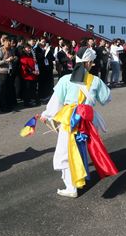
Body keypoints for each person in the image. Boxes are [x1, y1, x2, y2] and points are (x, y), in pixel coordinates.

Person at [40, 47, 117, 198]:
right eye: (92, 62)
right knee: (81, 149)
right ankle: (79, 178)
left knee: (66, 152)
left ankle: (71, 187)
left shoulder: (65, 79)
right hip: (88, 120)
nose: (92, 64)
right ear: (88, 62)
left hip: (70, 120)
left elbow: (56, 102)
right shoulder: (95, 81)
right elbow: (106, 99)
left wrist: (46, 115)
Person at [0, 35, 17, 112]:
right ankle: (3, 107)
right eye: (7, 41)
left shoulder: (10, 50)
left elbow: (13, 57)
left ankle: (8, 105)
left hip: (9, 72)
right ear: (3, 42)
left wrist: (14, 58)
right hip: (2, 73)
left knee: (8, 90)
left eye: (9, 41)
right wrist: (6, 60)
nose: (9, 43)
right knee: (3, 91)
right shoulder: (0, 51)